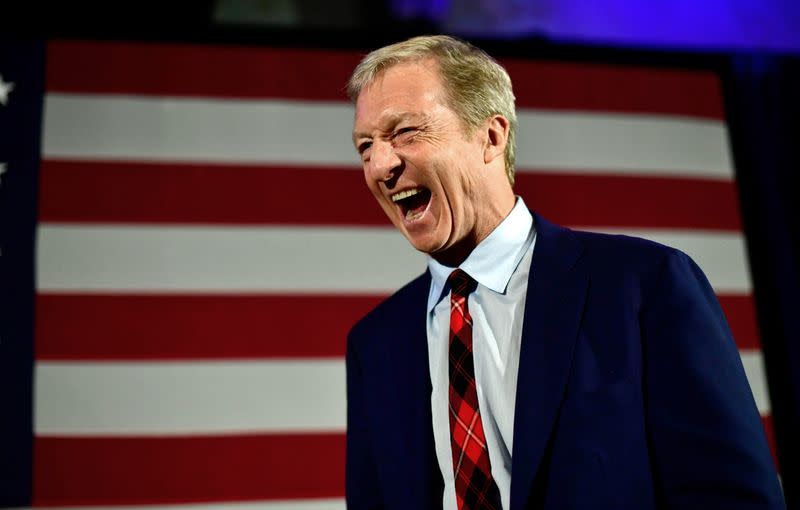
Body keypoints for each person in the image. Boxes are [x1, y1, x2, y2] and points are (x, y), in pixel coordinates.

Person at [345, 35, 783, 510]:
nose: (380, 165)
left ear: (491, 136)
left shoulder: (645, 286)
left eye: (406, 132)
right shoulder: (375, 344)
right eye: (366, 146)